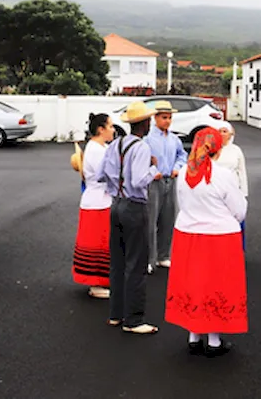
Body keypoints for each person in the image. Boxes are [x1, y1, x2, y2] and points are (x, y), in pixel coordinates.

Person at [165, 128, 248, 358]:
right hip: (220, 237)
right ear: (218, 150)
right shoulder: (224, 175)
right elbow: (239, 211)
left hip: (188, 234)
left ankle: (194, 335)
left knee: (194, 284)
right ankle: (213, 340)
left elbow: (182, 203)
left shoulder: (184, 173)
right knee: (215, 286)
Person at [96, 101, 160, 335]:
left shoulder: (115, 144)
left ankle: (116, 314)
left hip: (116, 204)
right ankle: (134, 319)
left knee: (118, 261)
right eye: (149, 120)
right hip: (134, 206)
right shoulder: (141, 148)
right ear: (144, 123)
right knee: (136, 263)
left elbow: (103, 175)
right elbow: (138, 180)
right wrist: (154, 169)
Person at [72, 113, 115, 298]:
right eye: (111, 126)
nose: (113, 130)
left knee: (103, 242)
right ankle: (95, 283)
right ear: (101, 129)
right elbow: (107, 174)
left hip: (102, 200)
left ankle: (102, 280)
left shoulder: (102, 147)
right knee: (97, 243)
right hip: (97, 202)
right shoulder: (96, 150)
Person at [145, 100, 187, 272]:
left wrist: (177, 168)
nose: (167, 121)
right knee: (150, 221)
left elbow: (182, 155)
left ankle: (164, 255)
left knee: (168, 219)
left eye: (169, 117)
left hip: (171, 180)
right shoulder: (147, 139)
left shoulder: (174, 139)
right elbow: (142, 159)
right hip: (154, 182)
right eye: (164, 117)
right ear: (155, 118)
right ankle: (148, 258)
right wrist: (152, 171)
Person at [216, 123, 249, 248]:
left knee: (236, 221)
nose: (221, 134)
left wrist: (243, 193)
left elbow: (242, 172)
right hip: (217, 190)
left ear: (231, 134)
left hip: (234, 190)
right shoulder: (213, 149)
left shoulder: (236, 150)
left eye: (224, 131)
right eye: (219, 131)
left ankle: (238, 248)